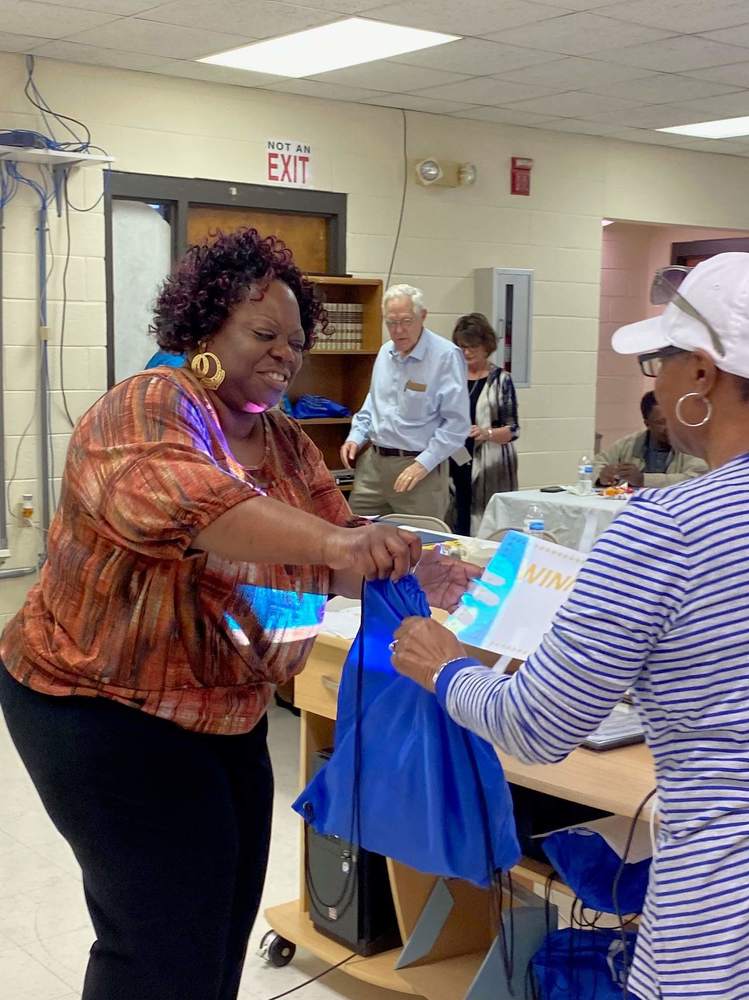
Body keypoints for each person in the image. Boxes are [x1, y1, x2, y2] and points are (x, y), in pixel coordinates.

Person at [0, 228, 478, 1000]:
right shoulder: (149, 407)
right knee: (159, 944)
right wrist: (334, 543)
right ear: (201, 330)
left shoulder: (283, 441)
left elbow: (336, 545)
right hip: (102, 709)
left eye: (295, 342)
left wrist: (411, 563)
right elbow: (193, 507)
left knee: (217, 925)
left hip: (226, 712)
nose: (284, 355)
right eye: (262, 334)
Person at [389, 252, 749, 1000]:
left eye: (662, 360)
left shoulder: (667, 528)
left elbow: (537, 726)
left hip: (720, 917)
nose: (657, 381)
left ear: (705, 374)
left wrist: (447, 667)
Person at [340, 284, 469, 520]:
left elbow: (456, 425)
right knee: (358, 537)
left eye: (406, 321)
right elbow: (374, 402)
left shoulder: (446, 356)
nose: (398, 330)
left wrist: (422, 465)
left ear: (423, 316)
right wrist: (356, 436)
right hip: (373, 466)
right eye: (391, 323)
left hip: (418, 468)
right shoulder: (385, 352)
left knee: (422, 547)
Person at [449, 312, 519, 535]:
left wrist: (486, 433)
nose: (467, 352)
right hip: (455, 459)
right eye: (462, 346)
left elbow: (513, 429)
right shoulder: (452, 377)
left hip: (491, 465)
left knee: (486, 525)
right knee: (455, 520)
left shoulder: (501, 380)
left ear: (486, 346)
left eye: (472, 346)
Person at [594, 389, 706, 487]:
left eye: (673, 419)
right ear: (647, 424)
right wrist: (602, 475)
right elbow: (593, 465)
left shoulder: (692, 445)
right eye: (661, 422)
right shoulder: (630, 444)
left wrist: (643, 480)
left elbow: (696, 480)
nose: (669, 427)